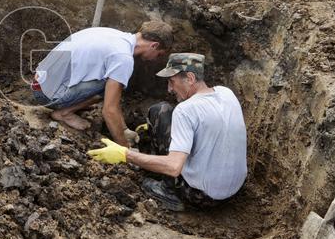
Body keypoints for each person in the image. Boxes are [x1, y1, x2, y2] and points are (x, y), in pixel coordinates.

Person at [87, 53, 248, 211]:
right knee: (163, 113)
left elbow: (173, 167)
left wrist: (124, 154)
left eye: (172, 81)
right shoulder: (226, 93)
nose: (169, 88)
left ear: (190, 78)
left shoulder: (185, 110)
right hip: (234, 191)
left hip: (201, 197)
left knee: (160, 110)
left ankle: (168, 191)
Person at [31, 20, 173, 143]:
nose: (155, 59)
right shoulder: (123, 58)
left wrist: (124, 129)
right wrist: (125, 150)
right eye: (159, 54)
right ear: (154, 45)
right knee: (110, 86)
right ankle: (64, 113)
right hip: (47, 95)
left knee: (113, 83)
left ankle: (70, 103)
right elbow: (109, 110)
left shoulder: (113, 35)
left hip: (41, 82)